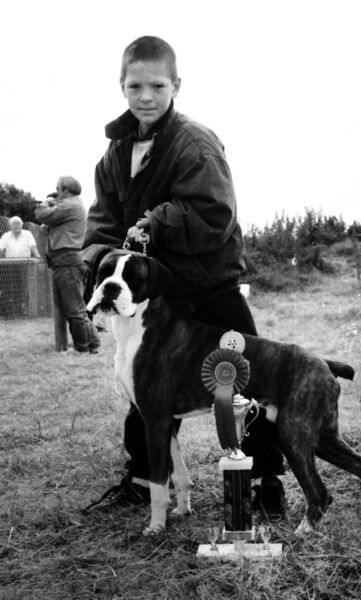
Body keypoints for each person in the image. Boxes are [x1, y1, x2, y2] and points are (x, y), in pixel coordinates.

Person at [82, 36, 285, 516]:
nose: (146, 96)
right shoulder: (113, 155)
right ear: (121, 86)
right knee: (145, 386)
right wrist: (99, 258)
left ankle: (266, 481)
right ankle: (142, 478)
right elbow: (103, 224)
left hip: (208, 287)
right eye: (135, 85)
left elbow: (215, 214)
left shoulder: (195, 142)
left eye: (157, 85)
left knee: (248, 381)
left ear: (177, 84)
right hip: (156, 297)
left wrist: (156, 220)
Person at [35, 176, 100, 354]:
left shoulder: (70, 204)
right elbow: (57, 225)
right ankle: (92, 344)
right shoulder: (74, 205)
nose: (56, 193)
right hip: (67, 260)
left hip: (67, 260)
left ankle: (81, 348)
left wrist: (45, 202)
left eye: (57, 189)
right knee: (77, 306)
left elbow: (41, 214)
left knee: (73, 308)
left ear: (65, 189)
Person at [0, 216, 40, 318]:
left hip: (25, 265)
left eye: (18, 223)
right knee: (8, 288)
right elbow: (0, 248)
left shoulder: (27, 234)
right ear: (10, 226)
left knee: (23, 288)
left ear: (22, 225)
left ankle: (23, 310)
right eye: (14, 224)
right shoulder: (6, 235)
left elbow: (33, 247)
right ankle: (9, 312)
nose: (16, 225)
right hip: (10, 266)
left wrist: (38, 256)